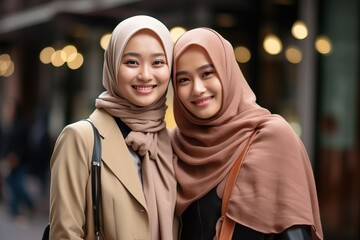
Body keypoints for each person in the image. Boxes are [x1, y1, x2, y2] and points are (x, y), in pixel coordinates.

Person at [170, 27, 323, 240]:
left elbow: (293, 231)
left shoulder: (272, 138)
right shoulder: (174, 145)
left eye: (207, 73)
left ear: (227, 72)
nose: (197, 89)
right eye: (183, 80)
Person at [49, 15, 178, 239]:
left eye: (158, 62)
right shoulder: (80, 138)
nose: (145, 75)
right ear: (111, 65)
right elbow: (65, 234)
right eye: (131, 62)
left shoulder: (171, 143)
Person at [0, 99, 35, 217]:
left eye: (10, 109)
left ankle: (30, 205)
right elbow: (5, 144)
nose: (7, 112)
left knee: (18, 185)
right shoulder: (8, 126)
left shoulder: (22, 126)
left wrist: (17, 157)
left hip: (21, 162)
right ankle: (14, 209)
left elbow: (26, 146)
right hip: (9, 162)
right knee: (11, 185)